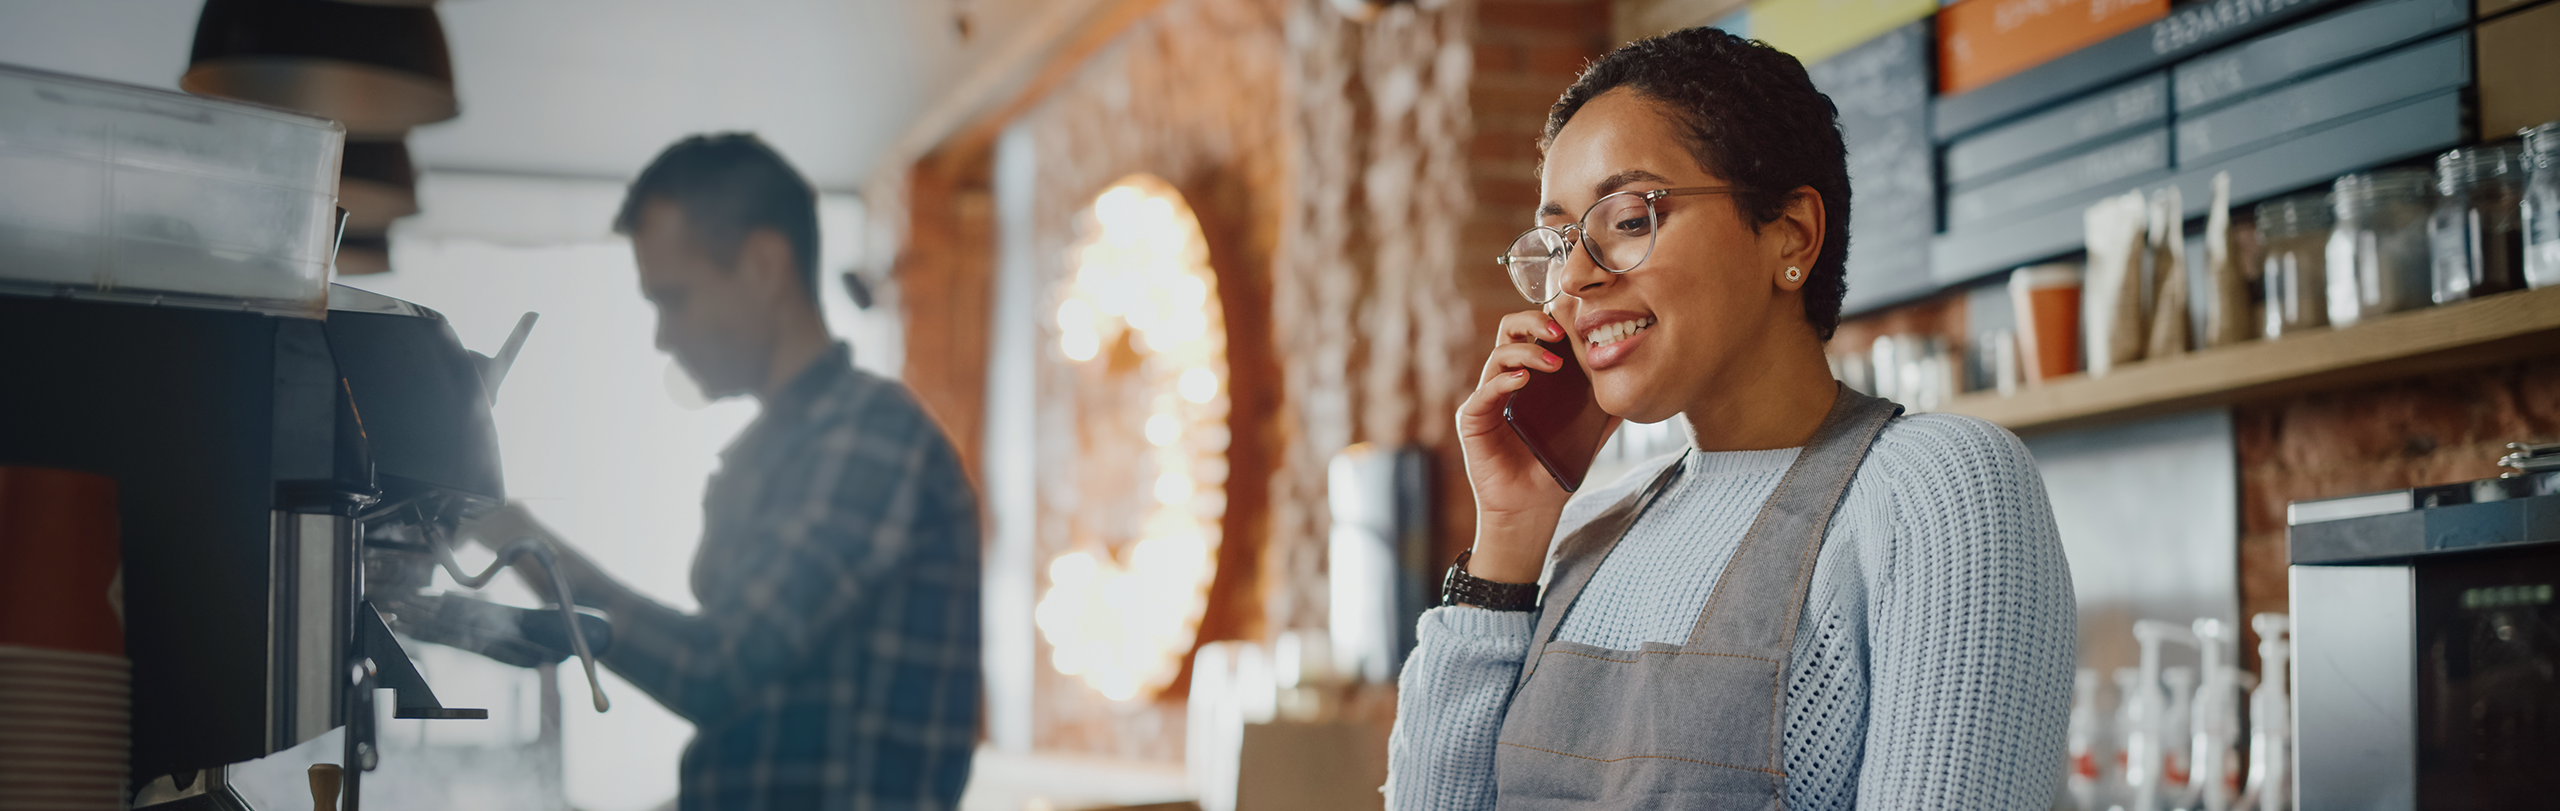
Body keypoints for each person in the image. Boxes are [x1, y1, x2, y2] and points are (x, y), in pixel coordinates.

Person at [1384, 28, 2074, 810]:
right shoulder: (1590, 529)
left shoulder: (1940, 488)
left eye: (1629, 218)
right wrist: (1508, 536)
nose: (1573, 277)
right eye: (1559, 239)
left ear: (1792, 234)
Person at [463, 133, 981, 811]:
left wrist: (512, 532)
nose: (663, 336)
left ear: (765, 265)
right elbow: (757, 751)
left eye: (673, 297)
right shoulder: (779, 450)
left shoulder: (868, 437)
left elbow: (715, 671)